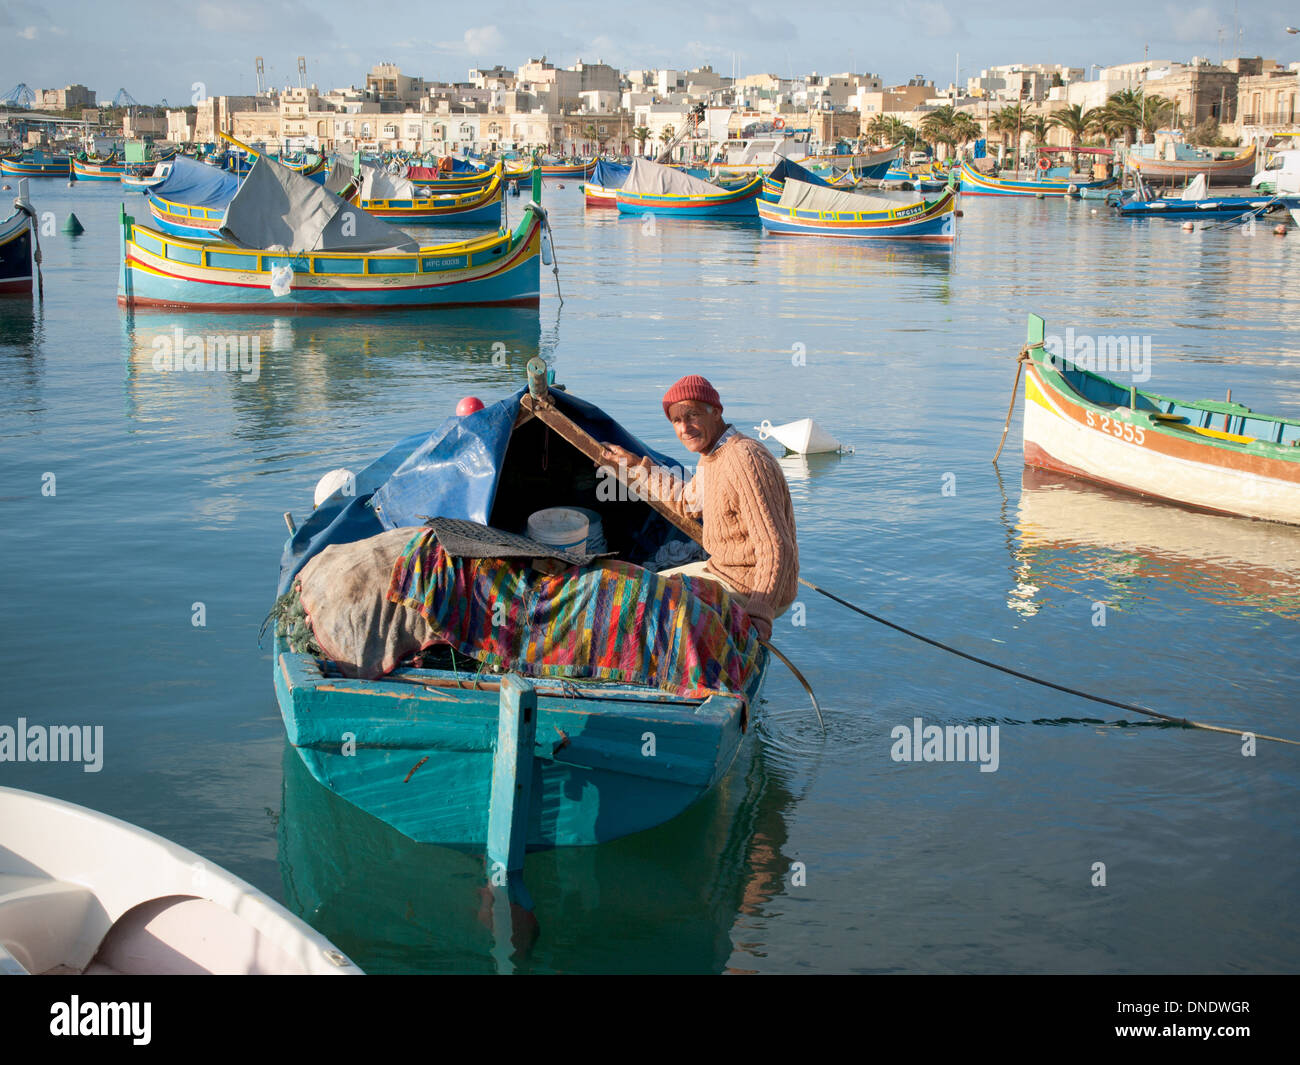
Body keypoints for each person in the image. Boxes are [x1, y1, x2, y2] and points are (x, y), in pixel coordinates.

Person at [600, 375, 798, 641]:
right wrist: (634, 466)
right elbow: (687, 502)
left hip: (751, 589)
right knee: (634, 584)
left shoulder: (744, 458)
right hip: (722, 570)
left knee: (642, 602)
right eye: (676, 421)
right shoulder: (712, 456)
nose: (684, 428)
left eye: (692, 415)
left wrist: (760, 614)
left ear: (715, 412)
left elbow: (775, 546)